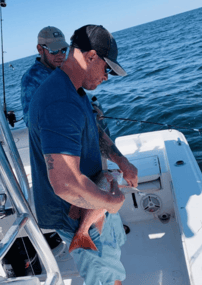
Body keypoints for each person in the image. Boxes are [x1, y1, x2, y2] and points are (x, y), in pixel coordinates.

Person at [28, 24, 138, 285]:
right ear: (90, 57)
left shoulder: (73, 88)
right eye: (107, 69)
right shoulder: (60, 102)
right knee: (106, 280)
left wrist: (120, 160)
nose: (107, 77)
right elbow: (66, 183)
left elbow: (94, 130)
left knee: (111, 256)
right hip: (72, 209)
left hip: (91, 196)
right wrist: (109, 203)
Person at [21, 26, 69, 126]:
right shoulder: (31, 79)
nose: (60, 55)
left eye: (63, 50)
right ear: (40, 49)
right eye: (54, 50)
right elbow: (31, 121)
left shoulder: (65, 70)